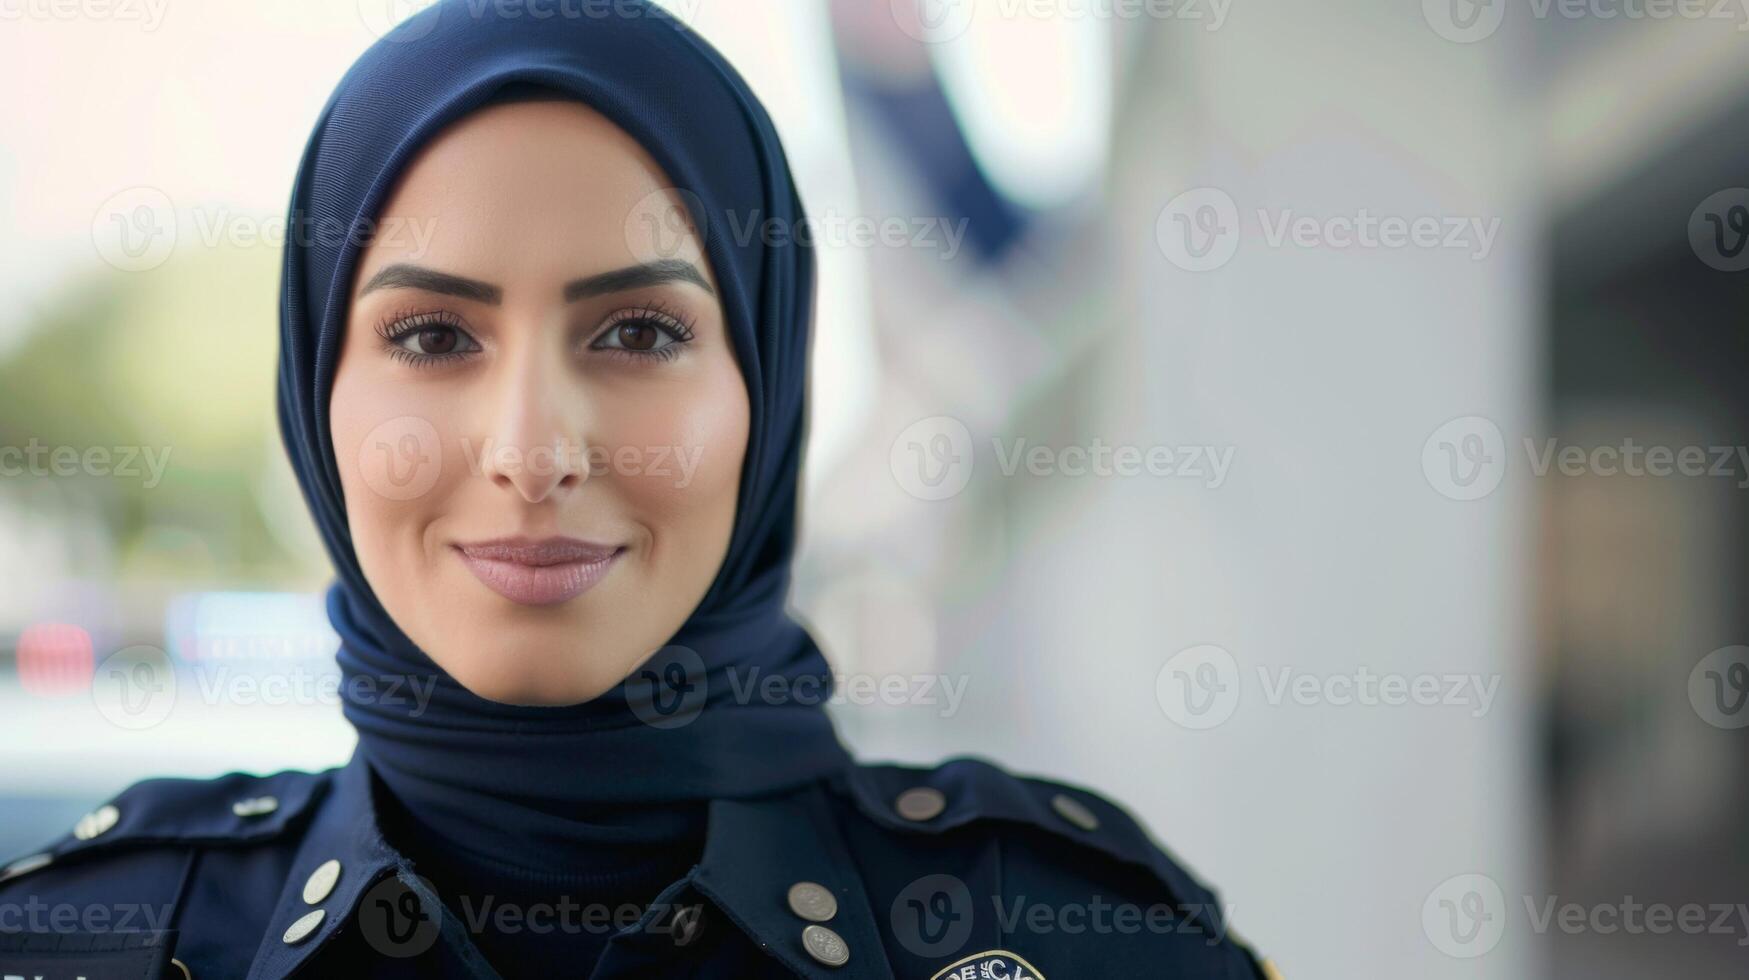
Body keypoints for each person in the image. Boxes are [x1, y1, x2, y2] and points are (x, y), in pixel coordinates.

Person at [0, 2, 1278, 977]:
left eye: (636, 334)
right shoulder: (75, 940)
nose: (532, 451)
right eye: (434, 337)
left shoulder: (1088, 937)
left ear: (763, 389)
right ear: (315, 392)